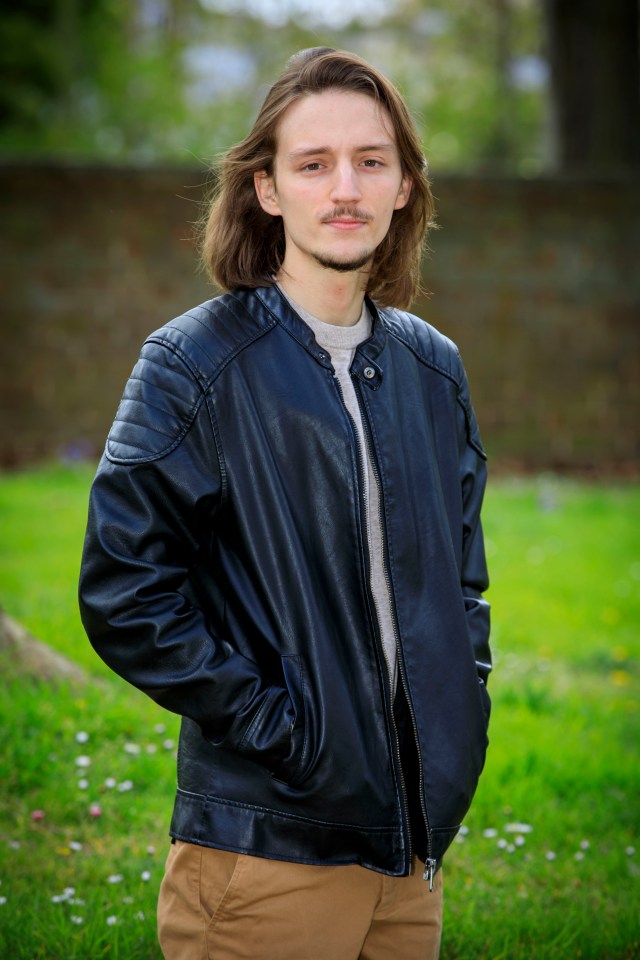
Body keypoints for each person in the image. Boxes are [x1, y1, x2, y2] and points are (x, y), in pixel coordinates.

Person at [79, 47, 491, 960]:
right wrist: (288, 733)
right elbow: (126, 595)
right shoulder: (192, 364)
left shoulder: (433, 368)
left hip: (411, 852)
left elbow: (463, 583)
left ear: (404, 188)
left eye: (371, 161)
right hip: (267, 851)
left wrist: (462, 711)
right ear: (268, 190)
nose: (345, 188)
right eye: (314, 164)